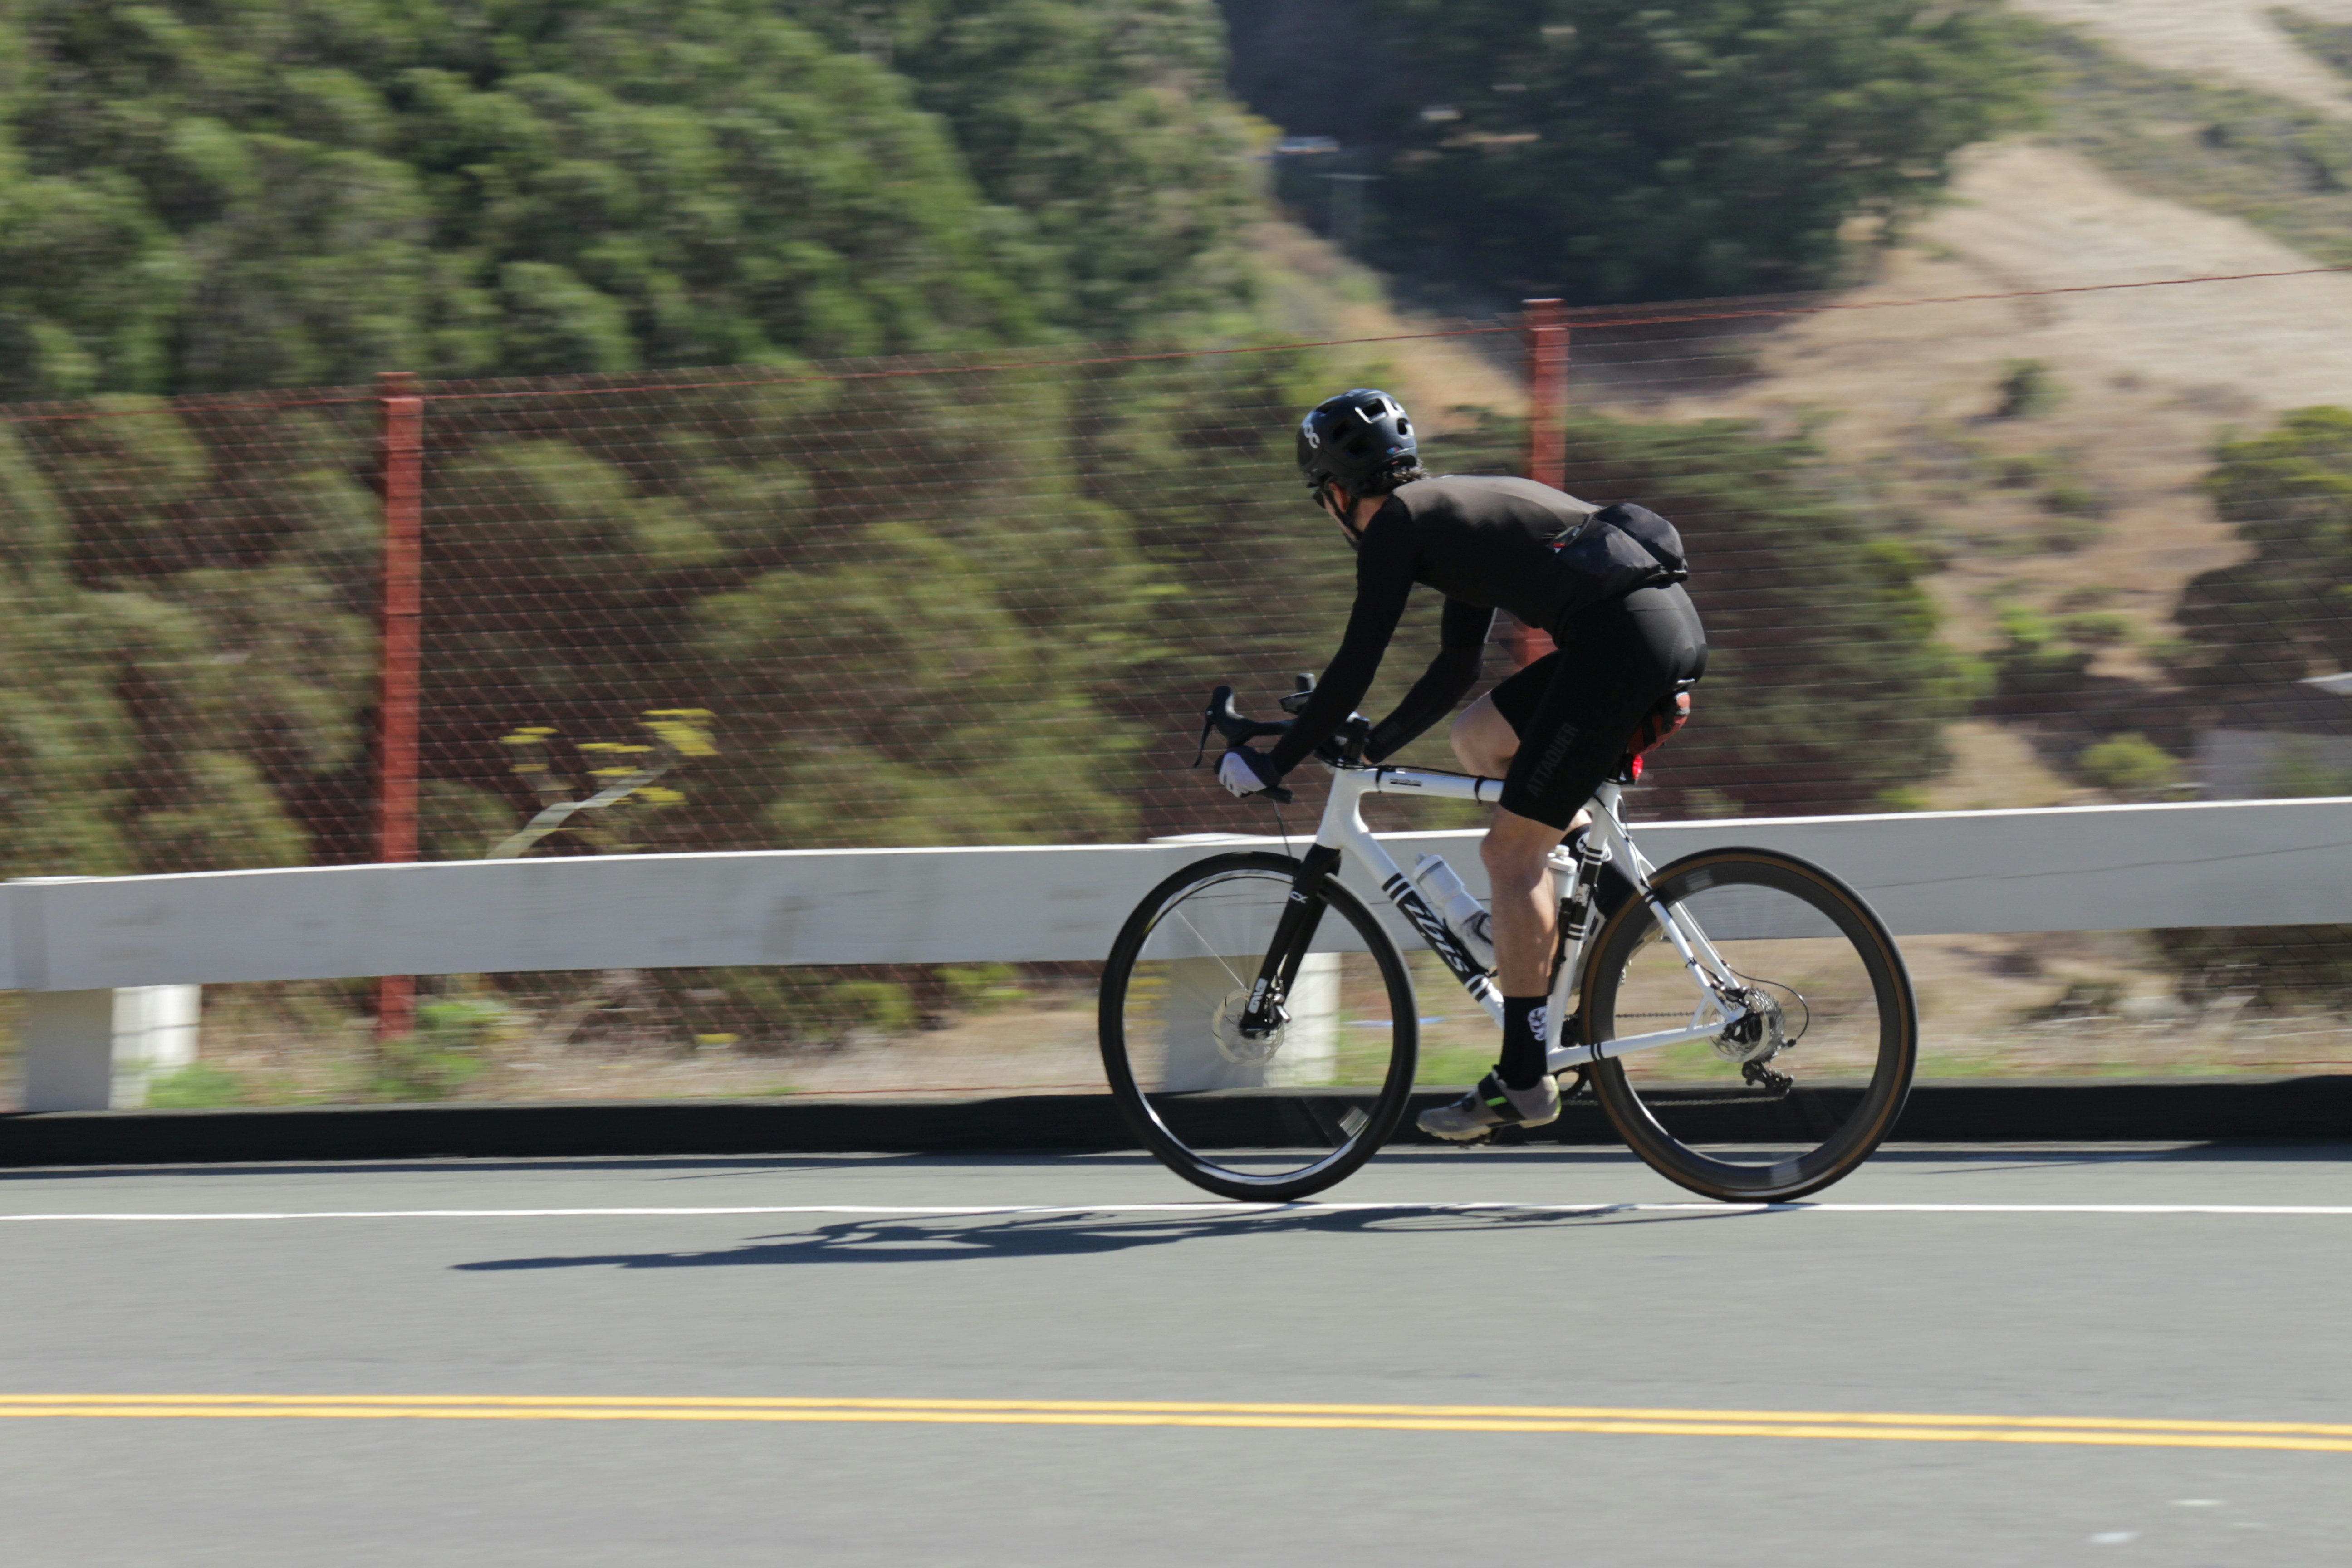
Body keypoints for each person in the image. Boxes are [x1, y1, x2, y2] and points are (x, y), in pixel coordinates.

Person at [1215, 388, 1708, 1139]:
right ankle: (1610, 897)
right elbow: (1454, 670)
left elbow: (1356, 659)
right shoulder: (1445, 512)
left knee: (1509, 855)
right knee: (1480, 737)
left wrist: (1276, 759)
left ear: (1337, 494)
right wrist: (1372, 747)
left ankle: (1522, 1077)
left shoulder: (1398, 529)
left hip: (1621, 643)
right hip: (1647, 628)